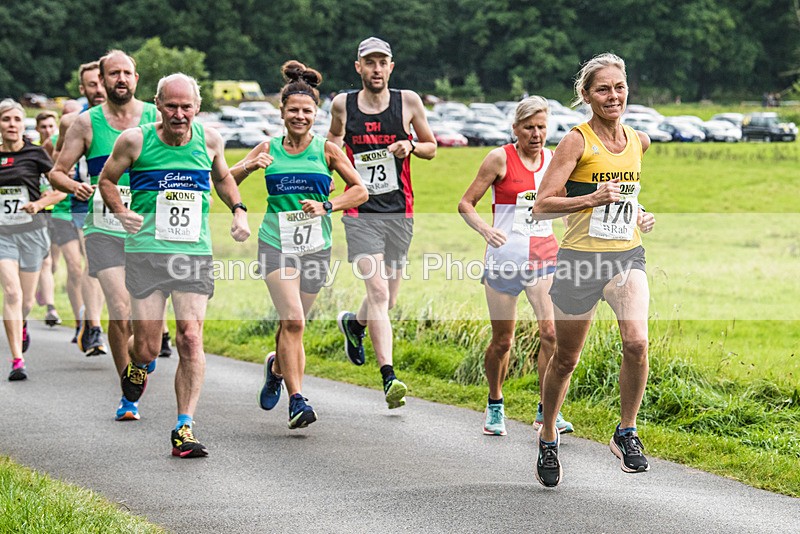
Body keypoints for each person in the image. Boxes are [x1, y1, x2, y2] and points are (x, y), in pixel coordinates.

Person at [99, 72, 250, 457]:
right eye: (171, 106)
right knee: (148, 348)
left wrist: (238, 210)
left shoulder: (210, 139)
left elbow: (223, 179)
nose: (179, 114)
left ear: (197, 107)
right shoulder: (135, 140)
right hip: (146, 252)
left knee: (190, 337)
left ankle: (184, 427)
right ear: (158, 104)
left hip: (191, 255)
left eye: (186, 106)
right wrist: (119, 211)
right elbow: (107, 181)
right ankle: (136, 366)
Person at [532, 53, 656, 487]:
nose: (613, 96)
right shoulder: (576, 141)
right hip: (580, 260)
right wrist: (589, 200)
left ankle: (626, 431)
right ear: (586, 95)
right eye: (603, 89)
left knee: (637, 342)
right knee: (566, 359)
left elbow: (627, 195)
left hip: (626, 256)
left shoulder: (638, 141)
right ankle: (548, 434)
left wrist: (640, 213)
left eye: (619, 87)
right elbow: (542, 203)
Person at [233, 60, 367, 429]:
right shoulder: (267, 147)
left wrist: (327, 205)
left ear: (316, 114)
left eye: (307, 111)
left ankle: (276, 367)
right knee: (292, 320)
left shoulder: (326, 151)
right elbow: (225, 180)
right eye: (294, 110)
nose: (300, 116)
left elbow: (360, 190)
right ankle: (297, 401)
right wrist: (249, 166)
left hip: (315, 247)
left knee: (295, 324)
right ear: (282, 112)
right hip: (275, 243)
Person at [327, 37, 436, 408]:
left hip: (399, 210)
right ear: (358, 67)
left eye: (382, 62)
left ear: (391, 67)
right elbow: (333, 144)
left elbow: (431, 146)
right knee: (376, 293)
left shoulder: (408, 102)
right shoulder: (342, 104)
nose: (375, 69)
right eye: (368, 62)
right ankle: (389, 376)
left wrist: (412, 147)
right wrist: (329, 179)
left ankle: (354, 325)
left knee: (387, 299)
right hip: (359, 211)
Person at [50, 50, 159, 420]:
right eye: (114, 74)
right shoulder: (86, 123)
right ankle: (128, 393)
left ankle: (142, 355)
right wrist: (75, 186)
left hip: (148, 230)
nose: (121, 80)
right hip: (104, 228)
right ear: (101, 79)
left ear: (137, 78)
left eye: (127, 73)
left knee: (147, 328)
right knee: (121, 310)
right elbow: (57, 172)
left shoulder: (153, 116)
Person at [458, 96, 573, 437]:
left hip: (543, 258)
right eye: (529, 128)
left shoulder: (554, 161)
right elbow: (466, 203)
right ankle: (495, 402)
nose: (536, 134)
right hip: (504, 260)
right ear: (515, 129)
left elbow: (564, 207)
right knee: (502, 342)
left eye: (541, 127)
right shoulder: (499, 159)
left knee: (551, 333)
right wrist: (485, 229)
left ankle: (546, 410)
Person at [0, 99, 60, 380]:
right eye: (6, 119)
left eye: (15, 120)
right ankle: (17, 360)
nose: (11, 125)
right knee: (11, 292)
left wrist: (39, 204)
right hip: (3, 235)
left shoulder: (35, 154)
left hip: (32, 233)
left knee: (25, 301)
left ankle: (22, 321)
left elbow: (60, 189)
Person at [51, 62, 108, 349]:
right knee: (91, 261)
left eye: (101, 82)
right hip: (86, 202)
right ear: (82, 89)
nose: (98, 89)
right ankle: (94, 325)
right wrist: (71, 179)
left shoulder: (133, 118)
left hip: (128, 202)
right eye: (91, 85)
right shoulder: (72, 121)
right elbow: (58, 159)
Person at [42, 100, 87, 341]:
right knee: (73, 267)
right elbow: (45, 174)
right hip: (60, 211)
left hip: (84, 210)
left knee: (90, 268)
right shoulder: (51, 145)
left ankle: (90, 319)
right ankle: (81, 323)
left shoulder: (90, 138)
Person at [33, 111, 64, 327]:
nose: (47, 131)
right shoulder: (34, 151)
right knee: (46, 261)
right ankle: (51, 307)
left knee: (53, 261)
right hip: (40, 213)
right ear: (37, 129)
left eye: (51, 126)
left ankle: (41, 289)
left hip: (60, 211)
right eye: (43, 127)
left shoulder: (63, 151)